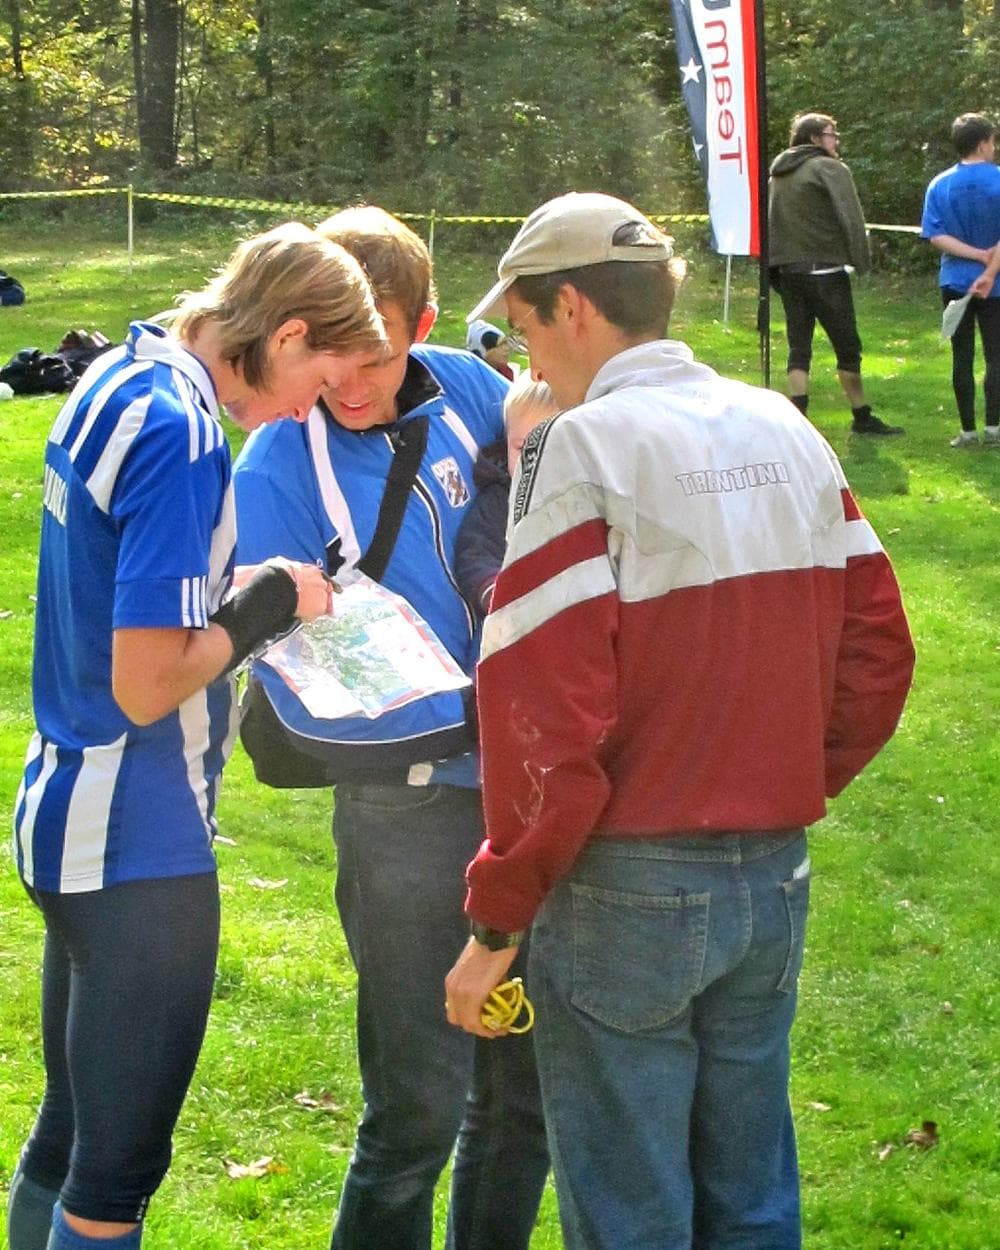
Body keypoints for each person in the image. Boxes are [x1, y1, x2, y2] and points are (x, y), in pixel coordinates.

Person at [445, 191, 916, 1250]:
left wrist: (496, 922)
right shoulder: (781, 421)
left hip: (625, 884)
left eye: (522, 327)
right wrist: (782, 777)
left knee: (628, 1210)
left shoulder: (581, 445)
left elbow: (542, 711)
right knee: (751, 1197)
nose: (525, 360)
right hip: (771, 873)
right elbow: (879, 653)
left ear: (571, 307)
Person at [7, 223, 388, 1250]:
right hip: (138, 837)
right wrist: (266, 604)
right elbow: (146, 683)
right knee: (113, 1179)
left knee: (69, 1136)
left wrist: (241, 590)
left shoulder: (120, 374)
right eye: (318, 382)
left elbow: (119, 593)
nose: (307, 409)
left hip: (65, 806)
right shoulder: (182, 431)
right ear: (288, 333)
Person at [232, 206, 549, 1250]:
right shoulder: (277, 461)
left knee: (523, 1102)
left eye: (373, 356)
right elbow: (285, 658)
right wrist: (468, 708)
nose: (348, 385)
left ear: (423, 326)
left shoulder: (472, 389)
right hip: (404, 817)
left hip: (526, 803)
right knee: (416, 1112)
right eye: (332, 358)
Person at [769, 112, 903, 436]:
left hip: (788, 272)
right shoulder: (829, 168)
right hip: (825, 273)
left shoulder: (777, 175)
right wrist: (862, 260)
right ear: (815, 138)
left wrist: (773, 271)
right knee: (847, 347)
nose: (836, 141)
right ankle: (862, 416)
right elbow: (851, 217)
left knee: (799, 347)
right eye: (832, 134)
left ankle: (798, 419)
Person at [921, 112, 1000, 448]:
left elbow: (935, 236)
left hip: (955, 281)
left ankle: (967, 431)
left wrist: (975, 255)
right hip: (997, 284)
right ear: (983, 144)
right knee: (996, 356)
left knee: (962, 356)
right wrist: (989, 269)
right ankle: (994, 428)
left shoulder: (939, 184)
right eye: (993, 141)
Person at [455, 373, 560, 618]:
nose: (534, 460)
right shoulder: (501, 501)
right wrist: (497, 593)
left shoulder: (595, 494)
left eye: (554, 446)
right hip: (523, 617)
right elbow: (476, 553)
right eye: (523, 447)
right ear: (507, 443)